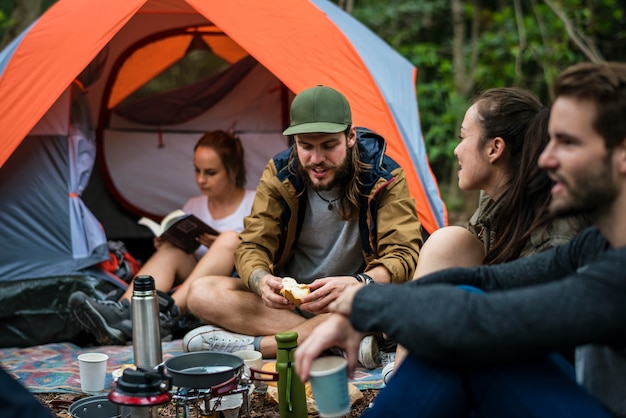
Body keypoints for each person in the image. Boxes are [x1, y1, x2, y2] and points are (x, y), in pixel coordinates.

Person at [295, 61, 626, 418]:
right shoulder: (595, 244)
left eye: (569, 143)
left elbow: (483, 318)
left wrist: (363, 305)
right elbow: (481, 280)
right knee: (461, 312)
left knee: (466, 335)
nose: (545, 157)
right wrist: (356, 310)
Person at [181, 85, 423, 368]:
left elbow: (404, 254)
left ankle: (265, 346)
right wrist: (261, 282)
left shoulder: (384, 175)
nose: (317, 159)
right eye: (306, 146)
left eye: (329, 145)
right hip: (288, 306)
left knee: (405, 302)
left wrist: (358, 283)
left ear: (350, 137)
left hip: (353, 300)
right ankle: (335, 341)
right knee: (200, 292)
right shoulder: (279, 172)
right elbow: (252, 245)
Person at [385, 87, 587, 380]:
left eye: (463, 137)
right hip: (507, 347)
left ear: (494, 148)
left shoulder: (553, 236)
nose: (456, 149)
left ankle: (405, 383)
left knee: (445, 245)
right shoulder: (498, 201)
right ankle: (403, 379)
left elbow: (537, 335)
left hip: (547, 376)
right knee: (450, 243)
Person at [68, 130, 256, 345]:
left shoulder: (254, 201)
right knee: (172, 250)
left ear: (233, 170)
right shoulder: (195, 205)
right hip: (191, 282)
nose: (201, 180)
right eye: (197, 170)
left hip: (231, 281)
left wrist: (225, 245)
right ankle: (124, 311)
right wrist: (168, 242)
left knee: (231, 239)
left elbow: (266, 253)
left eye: (211, 172)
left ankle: (167, 315)